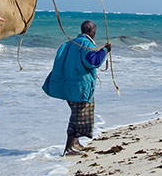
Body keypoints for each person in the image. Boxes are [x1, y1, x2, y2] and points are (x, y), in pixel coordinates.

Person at [42, 20, 111, 156]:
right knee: (77, 117)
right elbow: (93, 61)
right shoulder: (87, 43)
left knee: (78, 113)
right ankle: (69, 148)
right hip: (80, 87)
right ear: (91, 31)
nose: (95, 33)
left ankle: (76, 143)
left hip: (69, 86)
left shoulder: (69, 44)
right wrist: (104, 50)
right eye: (94, 30)